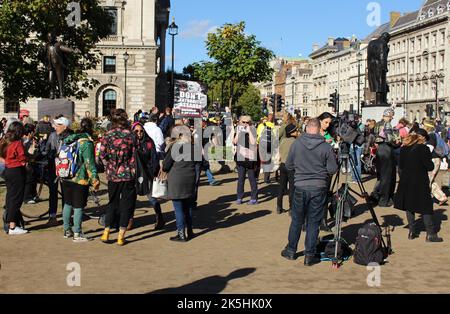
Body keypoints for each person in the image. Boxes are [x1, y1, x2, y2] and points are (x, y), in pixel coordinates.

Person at [281, 118, 338, 266]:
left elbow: (288, 165)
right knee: (313, 222)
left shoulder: (297, 144)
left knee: (297, 220)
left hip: (300, 186)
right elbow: (333, 169)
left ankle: (291, 250)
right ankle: (309, 254)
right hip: (318, 187)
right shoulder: (326, 147)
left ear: (306, 128)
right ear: (319, 129)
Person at [394, 129, 443, 242]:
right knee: (426, 206)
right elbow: (429, 166)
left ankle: (412, 231)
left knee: (409, 205)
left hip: (406, 180)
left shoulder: (404, 148)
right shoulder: (423, 149)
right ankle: (430, 234)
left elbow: (400, 165)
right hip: (419, 180)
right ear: (422, 138)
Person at [99, 109, 136, 246]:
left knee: (112, 202)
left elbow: (102, 154)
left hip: (112, 174)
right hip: (127, 174)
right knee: (126, 205)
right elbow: (134, 155)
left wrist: (108, 164)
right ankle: (121, 236)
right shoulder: (130, 135)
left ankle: (106, 231)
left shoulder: (107, 135)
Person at [61, 118, 100, 242]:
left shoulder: (69, 139)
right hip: (80, 177)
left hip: (66, 175)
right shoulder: (86, 142)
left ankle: (67, 230)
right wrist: (95, 179)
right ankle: (77, 233)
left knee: (67, 203)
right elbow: (89, 163)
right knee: (78, 206)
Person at [162, 126, 197, 242]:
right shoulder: (193, 147)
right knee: (188, 206)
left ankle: (181, 234)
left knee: (178, 208)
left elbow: (166, 165)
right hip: (190, 178)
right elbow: (200, 163)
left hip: (177, 179)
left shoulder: (175, 147)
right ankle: (190, 230)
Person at [131, 122, 165, 231]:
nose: (139, 133)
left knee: (151, 196)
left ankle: (159, 217)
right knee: (131, 198)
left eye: (141, 131)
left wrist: (154, 172)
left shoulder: (149, 142)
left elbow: (154, 158)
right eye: (136, 131)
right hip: (133, 174)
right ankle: (129, 220)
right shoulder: (130, 143)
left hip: (147, 173)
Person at [42, 116, 73, 226]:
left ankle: (67, 216)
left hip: (66, 168)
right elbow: (47, 149)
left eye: (58, 125)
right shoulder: (52, 135)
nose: (55, 126)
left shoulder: (71, 137)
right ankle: (52, 216)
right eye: (55, 124)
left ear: (64, 127)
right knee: (53, 193)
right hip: (53, 167)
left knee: (66, 193)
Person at [0, 122, 28, 235]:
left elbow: (2, 155)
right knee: (16, 199)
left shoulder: (4, 140)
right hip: (16, 171)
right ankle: (12, 226)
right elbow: (22, 159)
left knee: (10, 197)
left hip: (7, 170)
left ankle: (9, 223)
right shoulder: (17, 143)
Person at [371, 108, 400, 207]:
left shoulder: (377, 124)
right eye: (391, 116)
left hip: (380, 150)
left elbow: (374, 137)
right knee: (387, 176)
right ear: (388, 116)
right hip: (386, 150)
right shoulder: (387, 125)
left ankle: (376, 196)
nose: (392, 118)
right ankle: (384, 199)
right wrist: (397, 142)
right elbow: (390, 140)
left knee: (381, 176)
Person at [233, 116, 258, 205]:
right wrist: (239, 132)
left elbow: (253, 142)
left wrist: (249, 131)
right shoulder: (238, 130)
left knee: (252, 178)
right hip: (240, 157)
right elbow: (234, 141)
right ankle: (239, 197)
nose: (245, 124)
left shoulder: (253, 130)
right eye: (243, 122)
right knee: (241, 178)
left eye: (248, 122)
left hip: (250, 158)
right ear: (240, 122)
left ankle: (254, 198)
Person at [423, 120, 448, 205]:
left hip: (433, 160)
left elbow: (429, 149)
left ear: (427, 127)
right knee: (430, 179)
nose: (422, 127)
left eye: (423, 126)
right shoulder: (434, 135)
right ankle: (441, 197)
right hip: (435, 160)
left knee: (427, 180)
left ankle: (426, 199)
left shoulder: (431, 136)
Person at [277, 124, 299, 214]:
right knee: (292, 188)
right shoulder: (296, 142)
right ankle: (291, 208)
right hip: (291, 166)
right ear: (292, 132)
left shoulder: (283, 141)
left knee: (281, 187)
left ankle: (279, 206)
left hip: (282, 165)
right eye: (296, 130)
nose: (297, 132)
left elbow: (280, 152)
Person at [256, 114, 275, 184]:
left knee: (258, 162)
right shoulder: (273, 126)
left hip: (260, 144)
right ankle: (266, 179)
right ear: (272, 119)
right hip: (269, 145)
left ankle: (256, 178)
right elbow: (275, 137)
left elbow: (257, 134)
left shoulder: (261, 125)